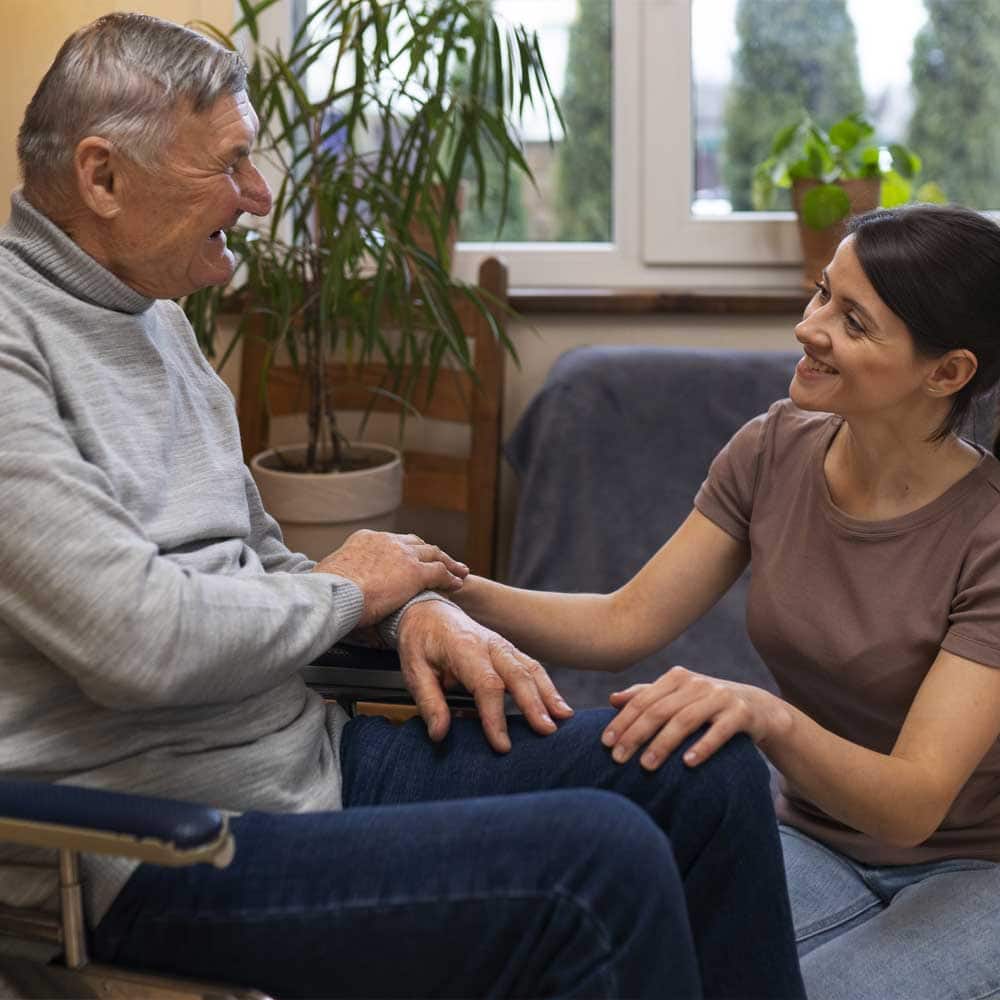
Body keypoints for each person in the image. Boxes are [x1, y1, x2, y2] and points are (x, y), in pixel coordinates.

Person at [0, 12, 806, 999]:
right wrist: (351, 589)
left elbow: (263, 567)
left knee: (703, 767)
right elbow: (138, 639)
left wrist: (407, 609)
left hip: (304, 763)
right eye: (230, 163)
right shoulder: (11, 344)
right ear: (102, 176)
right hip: (147, 846)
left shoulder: (157, 320)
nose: (257, 195)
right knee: (598, 864)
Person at [452, 203, 1000, 999]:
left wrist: (767, 716)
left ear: (946, 373)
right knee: (621, 966)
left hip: (977, 869)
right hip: (811, 837)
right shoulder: (773, 448)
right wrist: (447, 584)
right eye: (822, 293)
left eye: (852, 320)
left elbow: (914, 803)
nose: (809, 328)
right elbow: (623, 623)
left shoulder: (989, 533)